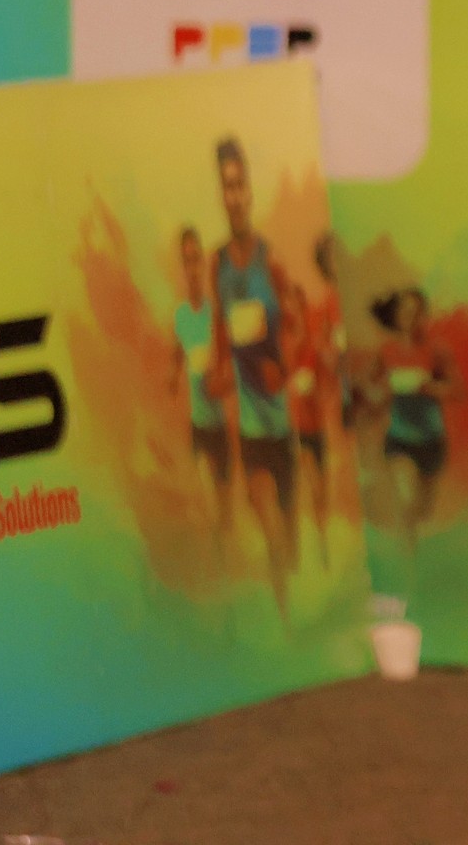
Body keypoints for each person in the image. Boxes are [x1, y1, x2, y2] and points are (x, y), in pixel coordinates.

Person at [211, 137, 297, 621]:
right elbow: (221, 332)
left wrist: (283, 370)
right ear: (221, 195)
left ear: (250, 191)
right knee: (269, 528)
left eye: (240, 184)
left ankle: (294, 615)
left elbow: (299, 331)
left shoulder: (271, 260)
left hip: (281, 425)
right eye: (227, 186)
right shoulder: (218, 264)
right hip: (248, 428)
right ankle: (285, 628)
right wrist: (219, 373)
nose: (235, 195)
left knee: (288, 537)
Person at [370, 287, 455, 554]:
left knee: (423, 512)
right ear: (396, 316)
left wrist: (428, 386)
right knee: (407, 501)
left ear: (423, 316)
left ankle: (419, 556)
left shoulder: (437, 351)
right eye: (406, 312)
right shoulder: (386, 352)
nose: (411, 318)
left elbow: (457, 390)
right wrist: (383, 391)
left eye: (417, 313)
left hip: (432, 441)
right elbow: (372, 392)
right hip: (399, 441)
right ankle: (408, 563)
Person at [171, 226, 234, 539]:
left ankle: (226, 555)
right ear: (182, 268)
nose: (192, 268)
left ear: (203, 263)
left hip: (220, 427)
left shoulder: (216, 315)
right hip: (197, 428)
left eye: (196, 259)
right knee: (204, 510)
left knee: (224, 517)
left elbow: (234, 372)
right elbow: (176, 356)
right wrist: (172, 378)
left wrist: (219, 382)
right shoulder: (180, 317)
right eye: (187, 261)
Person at [282, 277, 337, 570]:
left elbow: (329, 385)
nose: (292, 307)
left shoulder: (316, 345)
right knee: (310, 487)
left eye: (296, 301)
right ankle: (308, 552)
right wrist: (292, 388)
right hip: (296, 428)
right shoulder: (286, 344)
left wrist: (319, 393)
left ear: (302, 305)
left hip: (317, 427)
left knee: (321, 496)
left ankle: (322, 544)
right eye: (288, 302)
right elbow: (279, 384)